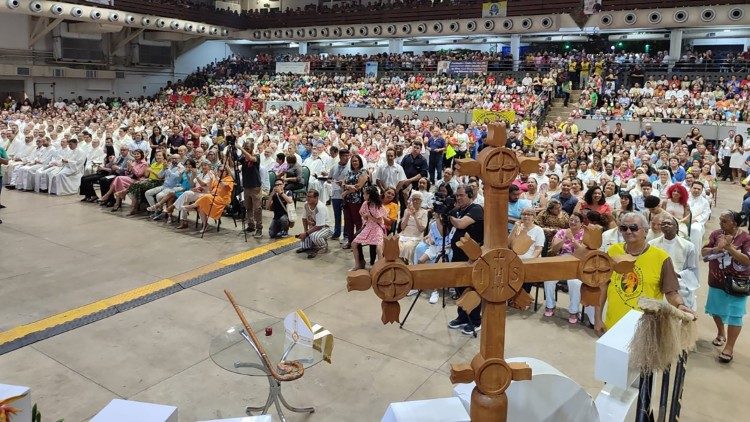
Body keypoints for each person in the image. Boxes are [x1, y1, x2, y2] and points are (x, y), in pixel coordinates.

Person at [595, 212, 692, 335]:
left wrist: (680, 305)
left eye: (634, 228)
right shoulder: (613, 251)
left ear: (646, 231)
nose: (628, 231)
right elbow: (603, 286)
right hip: (613, 324)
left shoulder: (662, 258)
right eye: (623, 228)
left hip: (644, 330)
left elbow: (671, 292)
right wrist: (598, 318)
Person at [703, 211, 750, 363]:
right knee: (715, 310)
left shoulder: (746, 238)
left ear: (735, 224)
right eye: (721, 221)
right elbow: (704, 252)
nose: (720, 224)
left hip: (738, 282)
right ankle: (721, 332)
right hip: (717, 280)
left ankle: (729, 347)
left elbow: (747, 261)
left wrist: (730, 248)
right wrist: (716, 249)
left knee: (735, 314)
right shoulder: (716, 234)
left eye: (724, 221)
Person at [447, 185, 484, 336]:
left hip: (471, 255)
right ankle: (462, 317)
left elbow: (460, 224)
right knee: (460, 287)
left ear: (470, 196)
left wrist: (448, 214)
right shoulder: (458, 210)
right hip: (457, 253)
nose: (458, 198)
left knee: (471, 289)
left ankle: (475, 321)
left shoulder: (476, 209)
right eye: (457, 195)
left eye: (461, 195)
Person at [649, 214, 700, 312]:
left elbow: (693, 270)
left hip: (679, 281)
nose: (665, 225)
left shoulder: (688, 246)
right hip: (657, 280)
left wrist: (675, 274)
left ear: (676, 227)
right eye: (663, 224)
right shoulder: (652, 244)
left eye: (669, 223)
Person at [545, 212, 586, 323]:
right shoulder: (562, 232)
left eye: (576, 221)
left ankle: (573, 311)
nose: (572, 222)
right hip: (561, 260)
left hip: (577, 262)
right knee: (549, 279)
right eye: (571, 219)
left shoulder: (585, 234)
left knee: (575, 283)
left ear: (582, 224)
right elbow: (554, 249)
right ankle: (550, 305)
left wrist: (572, 238)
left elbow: (583, 252)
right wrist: (564, 239)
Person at [351, 185, 387, 271]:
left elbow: (379, 221)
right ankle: (358, 264)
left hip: (377, 227)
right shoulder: (365, 204)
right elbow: (361, 213)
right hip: (368, 226)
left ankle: (381, 267)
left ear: (370, 195)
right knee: (354, 243)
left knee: (378, 247)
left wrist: (369, 216)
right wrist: (365, 216)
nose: (363, 195)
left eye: (365, 194)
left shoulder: (378, 206)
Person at [296, 188, 332, 259]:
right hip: (314, 227)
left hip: (325, 227)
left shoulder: (320, 207)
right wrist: (305, 232)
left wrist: (306, 233)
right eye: (307, 196)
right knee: (304, 244)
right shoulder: (306, 204)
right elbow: (304, 218)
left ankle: (323, 247)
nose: (307, 198)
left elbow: (319, 226)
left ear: (316, 198)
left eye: (310, 197)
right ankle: (313, 245)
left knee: (314, 236)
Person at [238, 141, 263, 238]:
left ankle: (259, 228)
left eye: (247, 148)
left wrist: (241, 149)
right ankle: (251, 225)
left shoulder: (257, 156)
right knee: (248, 207)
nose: (245, 149)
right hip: (246, 185)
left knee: (257, 209)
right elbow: (234, 162)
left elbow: (250, 158)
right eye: (245, 147)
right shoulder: (243, 157)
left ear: (252, 148)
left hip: (255, 186)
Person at [329, 148, 350, 242]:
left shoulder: (350, 167)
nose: (346, 158)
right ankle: (336, 232)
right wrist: (332, 181)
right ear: (340, 156)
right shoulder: (334, 167)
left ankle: (346, 234)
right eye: (344, 156)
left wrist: (344, 183)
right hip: (335, 194)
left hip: (346, 194)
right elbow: (329, 178)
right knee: (337, 215)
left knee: (346, 215)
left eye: (347, 156)